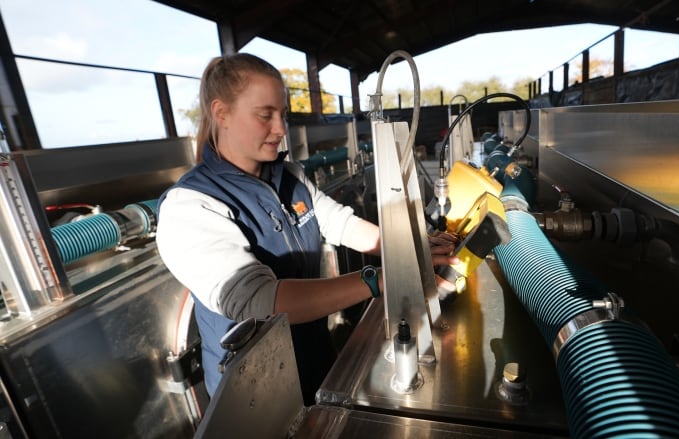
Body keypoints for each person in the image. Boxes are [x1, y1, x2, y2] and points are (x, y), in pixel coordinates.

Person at [155, 53, 456, 405]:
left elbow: (340, 223)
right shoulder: (190, 205)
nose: (281, 129)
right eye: (265, 115)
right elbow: (259, 301)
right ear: (221, 113)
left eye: (283, 115)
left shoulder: (290, 176)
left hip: (313, 359)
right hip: (254, 395)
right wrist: (378, 279)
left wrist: (408, 248)